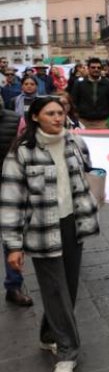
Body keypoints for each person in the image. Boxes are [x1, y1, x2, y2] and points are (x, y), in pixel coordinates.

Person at [1, 97, 101, 372]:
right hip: (42, 230)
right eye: (51, 113)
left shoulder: (76, 143)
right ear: (35, 117)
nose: (58, 118)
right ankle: (68, 351)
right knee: (56, 290)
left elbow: (89, 173)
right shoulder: (22, 152)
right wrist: (13, 246)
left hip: (73, 225)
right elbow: (11, 201)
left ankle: (48, 336)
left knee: (67, 289)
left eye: (61, 112)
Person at [0, 106, 30, 307]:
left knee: (11, 236)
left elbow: (25, 149)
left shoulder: (15, 120)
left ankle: (13, 286)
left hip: (9, 185)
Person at [70, 58, 109, 129]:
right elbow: (73, 101)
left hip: (102, 122)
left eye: (98, 68)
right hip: (83, 122)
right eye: (93, 67)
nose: (96, 69)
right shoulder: (79, 83)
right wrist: (74, 117)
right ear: (88, 68)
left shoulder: (108, 84)